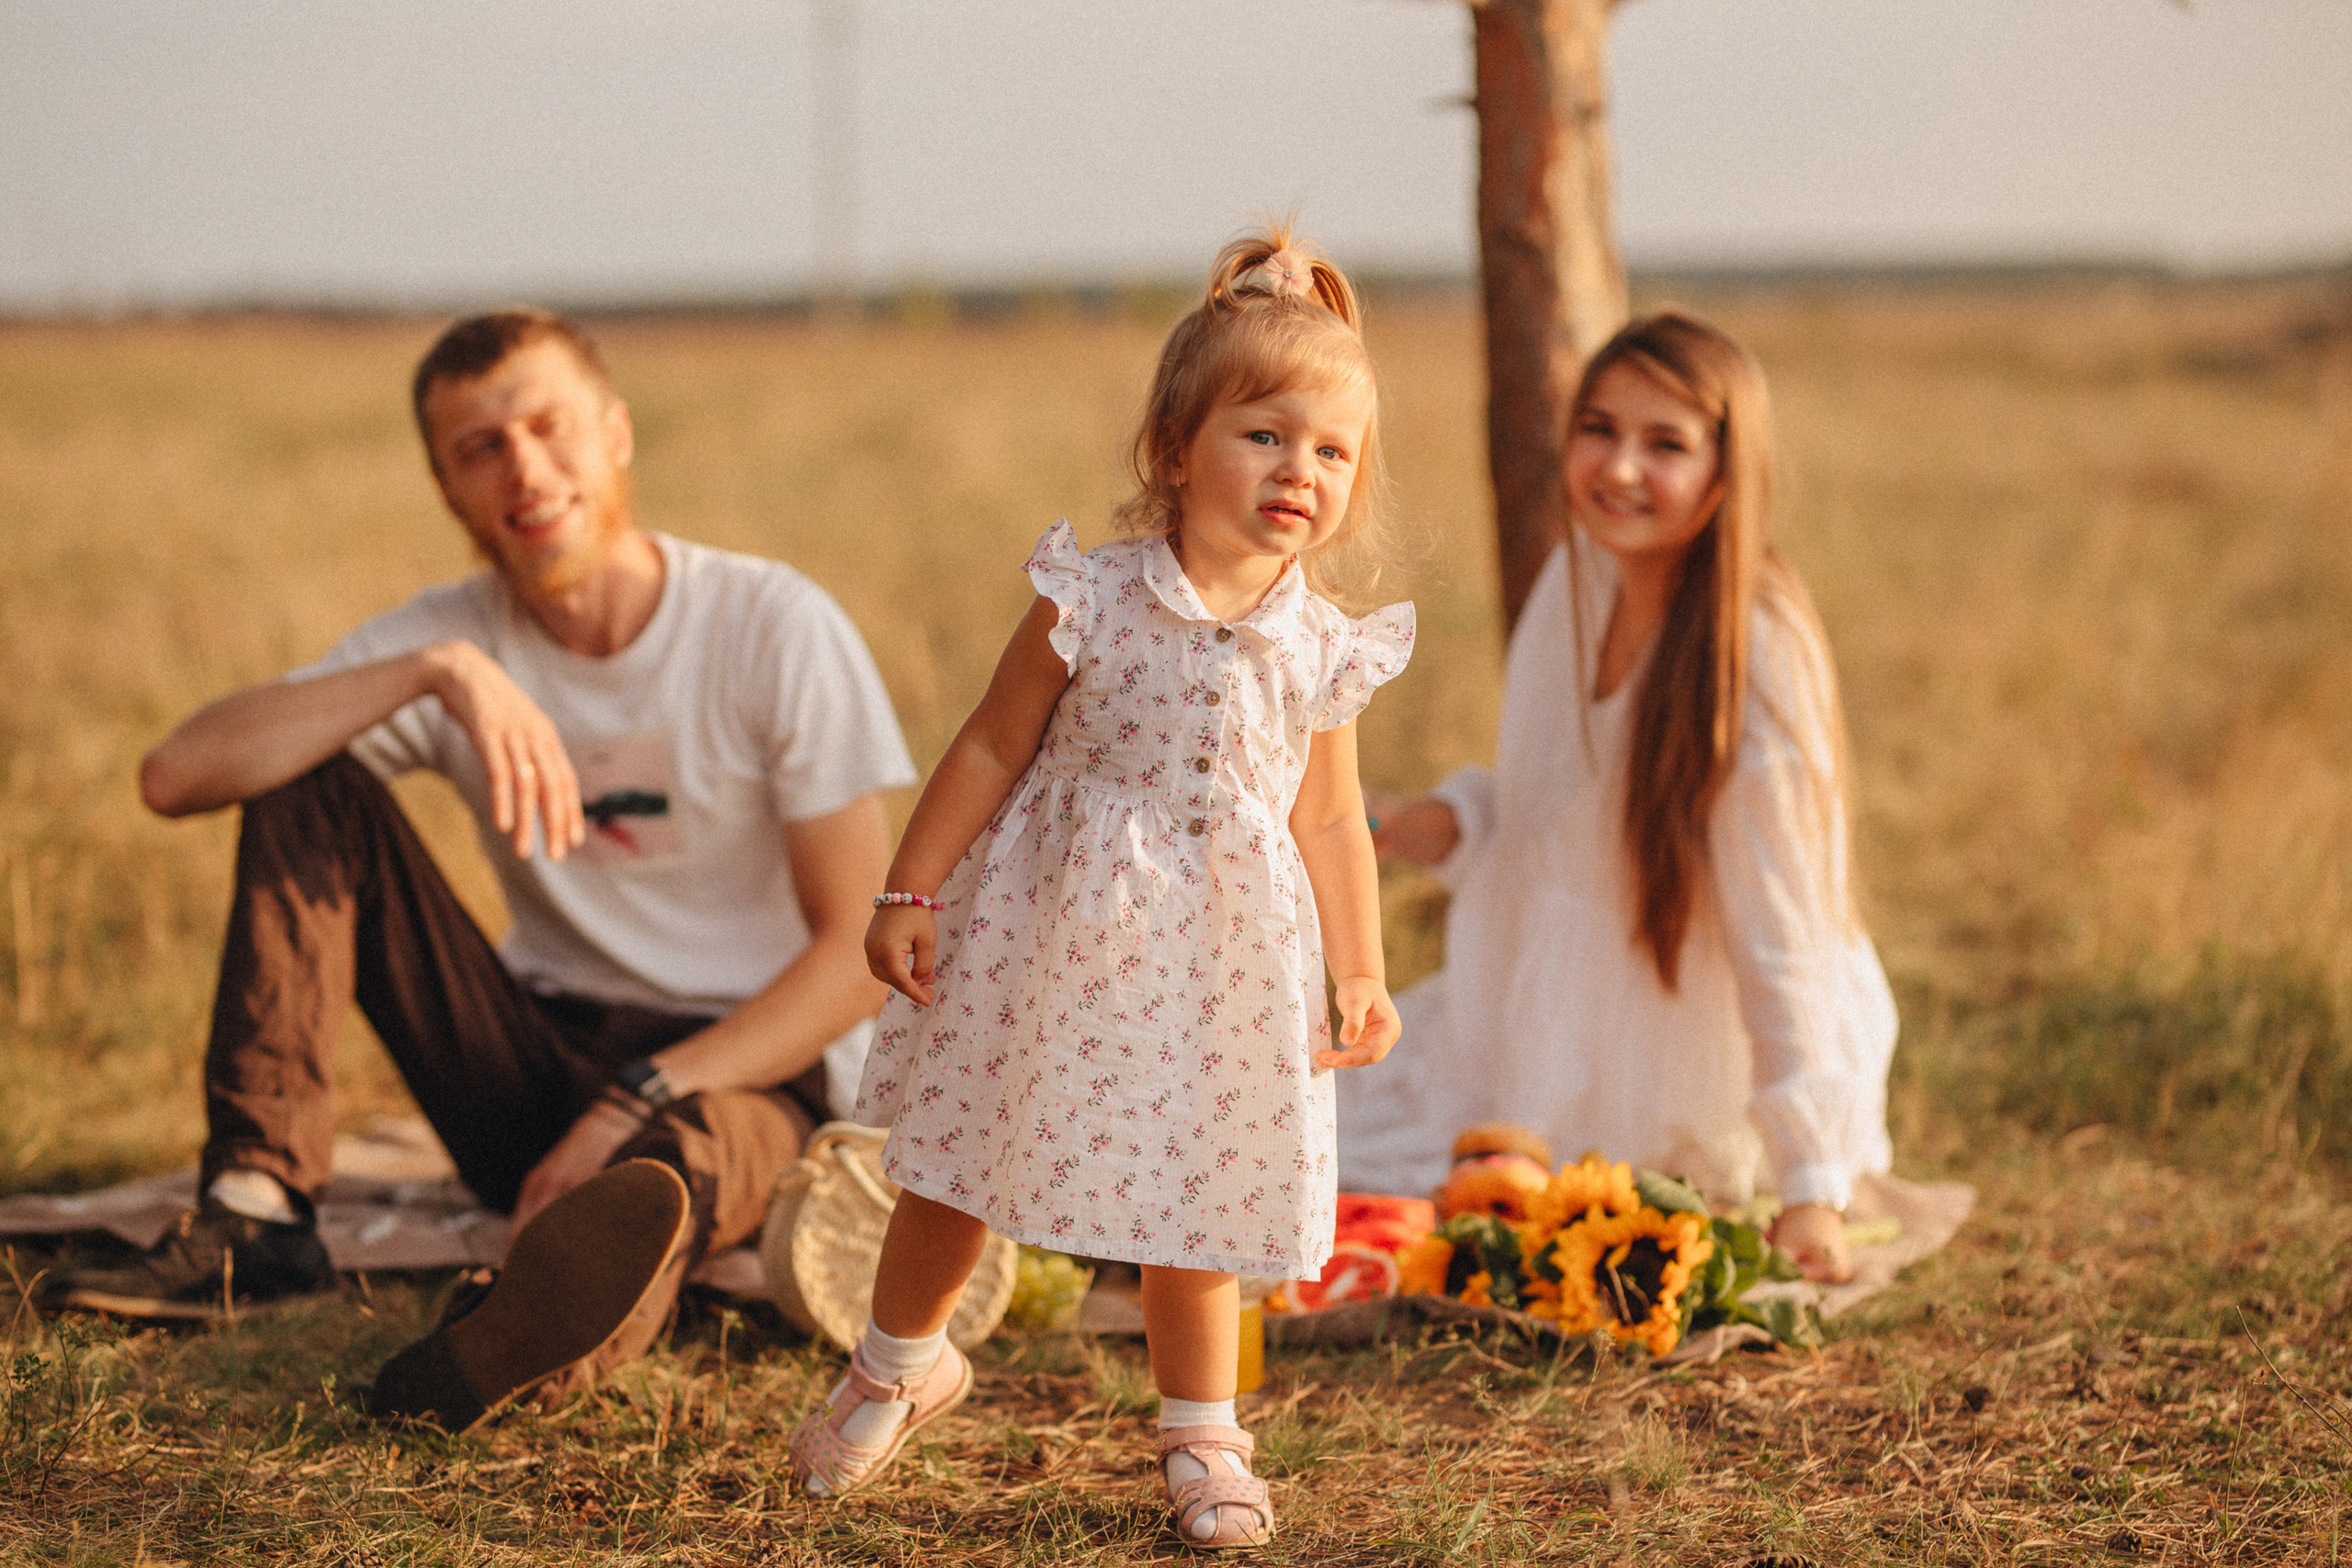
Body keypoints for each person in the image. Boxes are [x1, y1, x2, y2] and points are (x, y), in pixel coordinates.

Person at [43, 309, 915, 1427]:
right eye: (480, 448)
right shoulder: (454, 637)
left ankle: (514, 1327)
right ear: (449, 488)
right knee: (305, 777)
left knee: (675, 1170)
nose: (525, 469)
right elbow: (177, 774)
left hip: (736, 1070)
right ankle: (256, 1214)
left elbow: (856, 951)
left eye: (549, 427)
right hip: (533, 1065)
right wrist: (434, 671)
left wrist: (637, 1095)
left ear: (616, 434)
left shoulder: (770, 624)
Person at [785, 229, 1413, 1548]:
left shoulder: (1320, 642)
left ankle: (1204, 1431)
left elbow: (1332, 813)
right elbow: (995, 740)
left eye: (1332, 450)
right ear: (1177, 448)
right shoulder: (1096, 594)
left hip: (1227, 950)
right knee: (960, 1155)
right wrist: (912, 891)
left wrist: (1358, 965)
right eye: (1264, 435)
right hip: (1052, 923)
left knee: (1200, 1191)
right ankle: (898, 1362)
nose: (1300, 469)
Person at [1341, 310, 1894, 1285]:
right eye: (1599, 429)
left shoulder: (1754, 650)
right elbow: (1555, 815)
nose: (1619, 469)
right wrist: (1409, 822)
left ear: (1728, 472)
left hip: (1687, 1045)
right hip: (1549, 1006)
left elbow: (1786, 933)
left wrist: (1812, 1185)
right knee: (1286, 1118)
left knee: (1406, 1177)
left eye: (1665, 444)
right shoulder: (1576, 577)